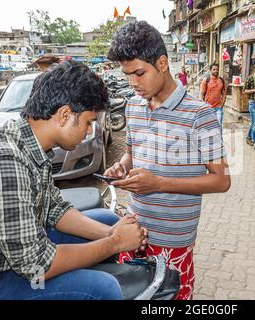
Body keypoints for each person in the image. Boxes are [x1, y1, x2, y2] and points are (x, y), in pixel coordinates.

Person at [0, 62, 147, 300]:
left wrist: (112, 232)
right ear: (64, 115)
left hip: (12, 255)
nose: (89, 130)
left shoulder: (28, 143)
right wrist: (114, 243)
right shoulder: (4, 161)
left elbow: (55, 209)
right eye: (88, 122)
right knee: (104, 288)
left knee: (107, 219)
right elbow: (36, 264)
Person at [106, 21, 231, 300]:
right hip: (134, 230)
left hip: (174, 237)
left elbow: (221, 181)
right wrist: (122, 167)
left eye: (139, 73)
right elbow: (131, 152)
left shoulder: (200, 115)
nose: (133, 83)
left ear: (162, 63)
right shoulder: (133, 105)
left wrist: (159, 183)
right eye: (128, 75)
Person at [200, 63, 226, 127]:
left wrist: (221, 105)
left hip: (218, 108)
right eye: (214, 69)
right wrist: (204, 106)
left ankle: (219, 137)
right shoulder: (206, 80)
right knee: (209, 127)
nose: (216, 71)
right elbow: (201, 94)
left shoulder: (222, 80)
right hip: (208, 108)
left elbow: (224, 94)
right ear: (210, 70)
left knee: (219, 125)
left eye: (217, 69)